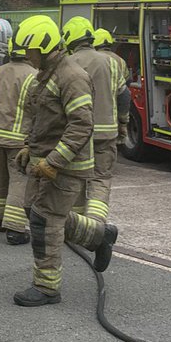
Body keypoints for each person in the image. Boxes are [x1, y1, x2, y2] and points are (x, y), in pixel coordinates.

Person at [12, 15, 118, 307]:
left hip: (65, 167)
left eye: (30, 51)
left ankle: (47, 288)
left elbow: (81, 125)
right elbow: (41, 120)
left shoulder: (71, 76)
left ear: (44, 48)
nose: (27, 57)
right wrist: (27, 147)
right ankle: (99, 236)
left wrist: (55, 161)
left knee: (44, 220)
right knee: (35, 211)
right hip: (44, 162)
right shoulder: (46, 75)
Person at [63, 17, 131, 225]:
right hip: (106, 134)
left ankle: (75, 225)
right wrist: (123, 122)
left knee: (76, 178)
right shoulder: (110, 61)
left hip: (76, 135)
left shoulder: (67, 63)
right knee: (100, 179)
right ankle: (94, 223)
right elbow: (124, 95)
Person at [0, 33, 36, 244]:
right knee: (19, 181)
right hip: (18, 139)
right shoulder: (34, 75)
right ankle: (15, 228)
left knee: (0, 178)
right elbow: (37, 107)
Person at [93, 27, 132, 146]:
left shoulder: (93, 59)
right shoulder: (120, 60)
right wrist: (123, 121)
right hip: (113, 111)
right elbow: (126, 85)